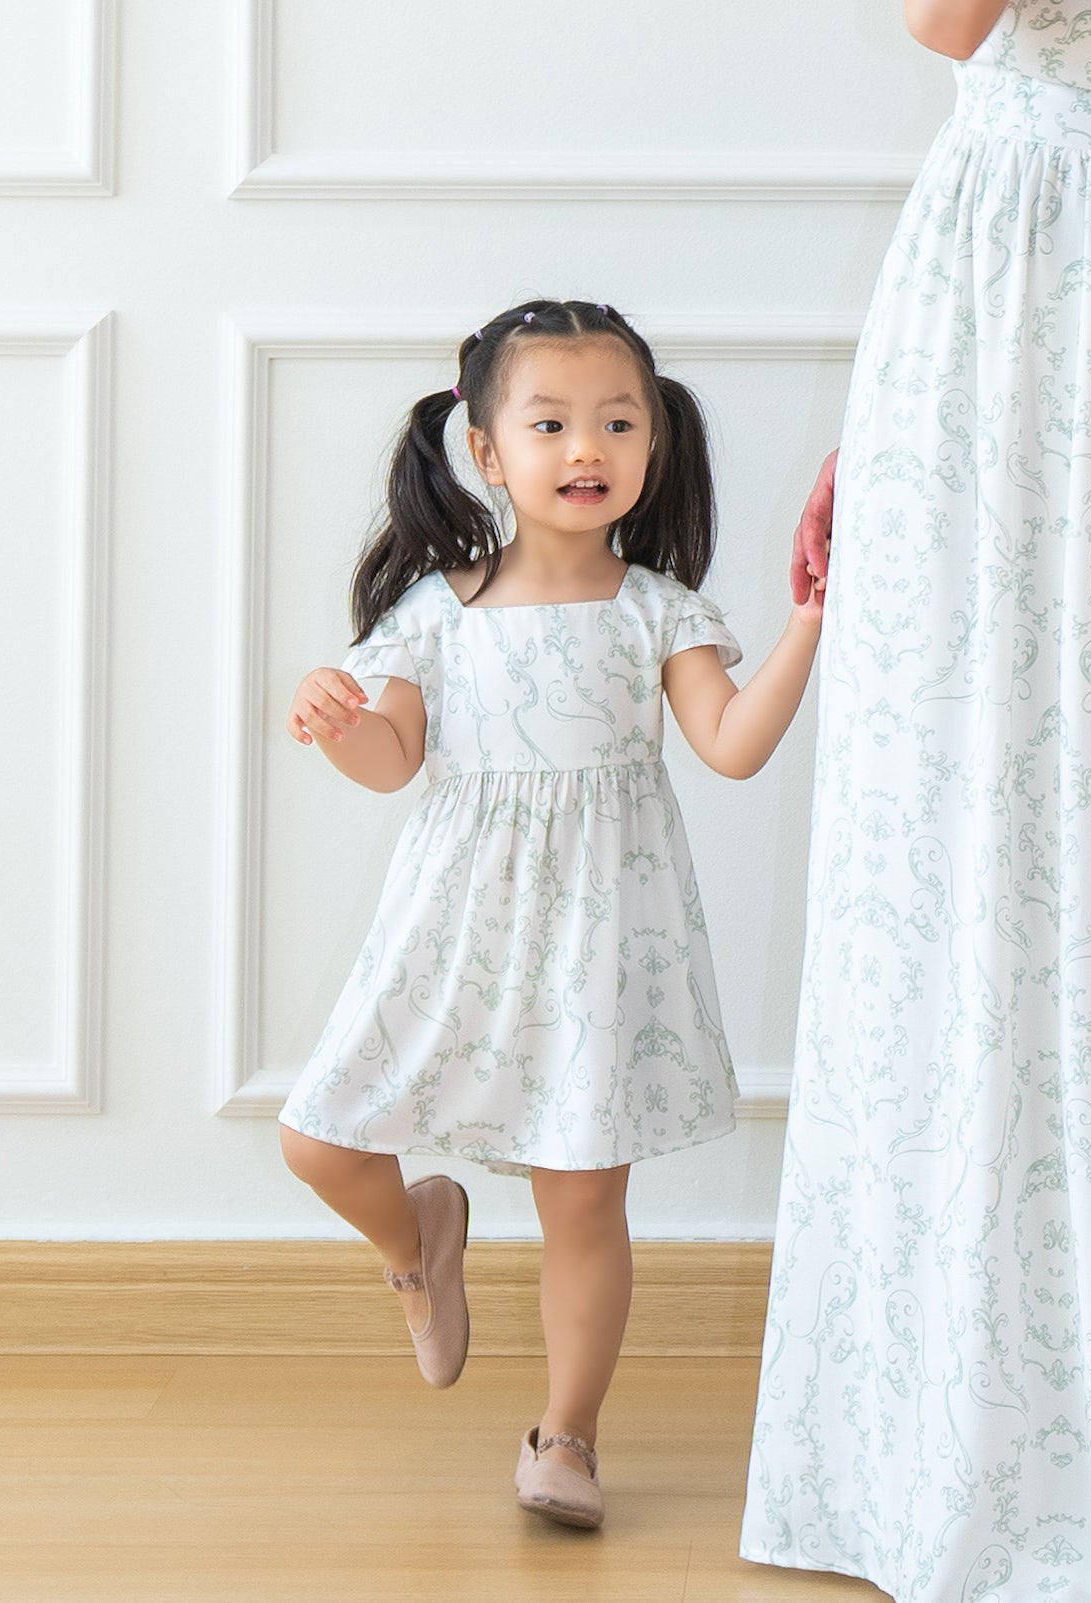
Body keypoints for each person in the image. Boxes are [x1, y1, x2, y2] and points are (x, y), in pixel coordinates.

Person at [742, 1, 1091, 1597]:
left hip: (1083, 307)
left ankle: (1049, 1418)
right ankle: (1018, 1415)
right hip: (1029, 310)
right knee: (1028, 823)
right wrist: (877, 438)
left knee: (1067, 832)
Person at [278, 299, 825, 1530]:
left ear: (655, 442)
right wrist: (336, 719)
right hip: (453, 928)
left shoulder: (658, 610)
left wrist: (807, 618)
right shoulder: (434, 612)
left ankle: (566, 1435)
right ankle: (418, 1243)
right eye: (551, 423)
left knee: (581, 1197)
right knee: (318, 1139)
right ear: (484, 449)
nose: (588, 446)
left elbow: (733, 745)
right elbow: (389, 760)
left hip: (599, 936)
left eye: (619, 422)